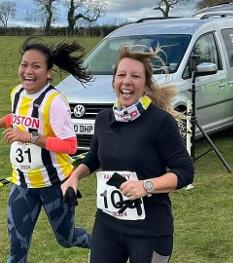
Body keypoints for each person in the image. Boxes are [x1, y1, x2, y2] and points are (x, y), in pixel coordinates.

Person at [61, 46, 194, 263]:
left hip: (150, 231)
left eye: (135, 76)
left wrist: (146, 186)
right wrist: (74, 177)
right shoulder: (104, 119)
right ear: (114, 82)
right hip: (107, 225)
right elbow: (93, 158)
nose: (127, 81)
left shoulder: (160, 122)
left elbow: (185, 173)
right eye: (121, 75)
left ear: (145, 84)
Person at [0, 38, 92, 262]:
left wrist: (30, 137)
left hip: (55, 185)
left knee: (66, 239)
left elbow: (70, 146)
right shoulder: (17, 93)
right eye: (24, 64)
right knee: (17, 250)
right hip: (22, 184)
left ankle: (103, 243)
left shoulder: (55, 102)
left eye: (36, 66)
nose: (28, 71)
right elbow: (17, 117)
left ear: (49, 72)